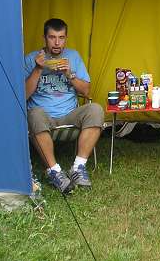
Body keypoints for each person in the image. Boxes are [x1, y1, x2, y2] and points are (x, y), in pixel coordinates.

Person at [25, 18, 103, 193]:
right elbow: (23, 95)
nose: (57, 42)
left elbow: (87, 91)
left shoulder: (73, 56)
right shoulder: (31, 59)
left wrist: (69, 74)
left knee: (96, 109)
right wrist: (38, 69)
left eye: (61, 37)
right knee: (34, 113)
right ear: (44, 38)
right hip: (43, 116)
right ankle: (54, 172)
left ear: (66, 38)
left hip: (69, 114)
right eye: (52, 37)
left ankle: (78, 168)